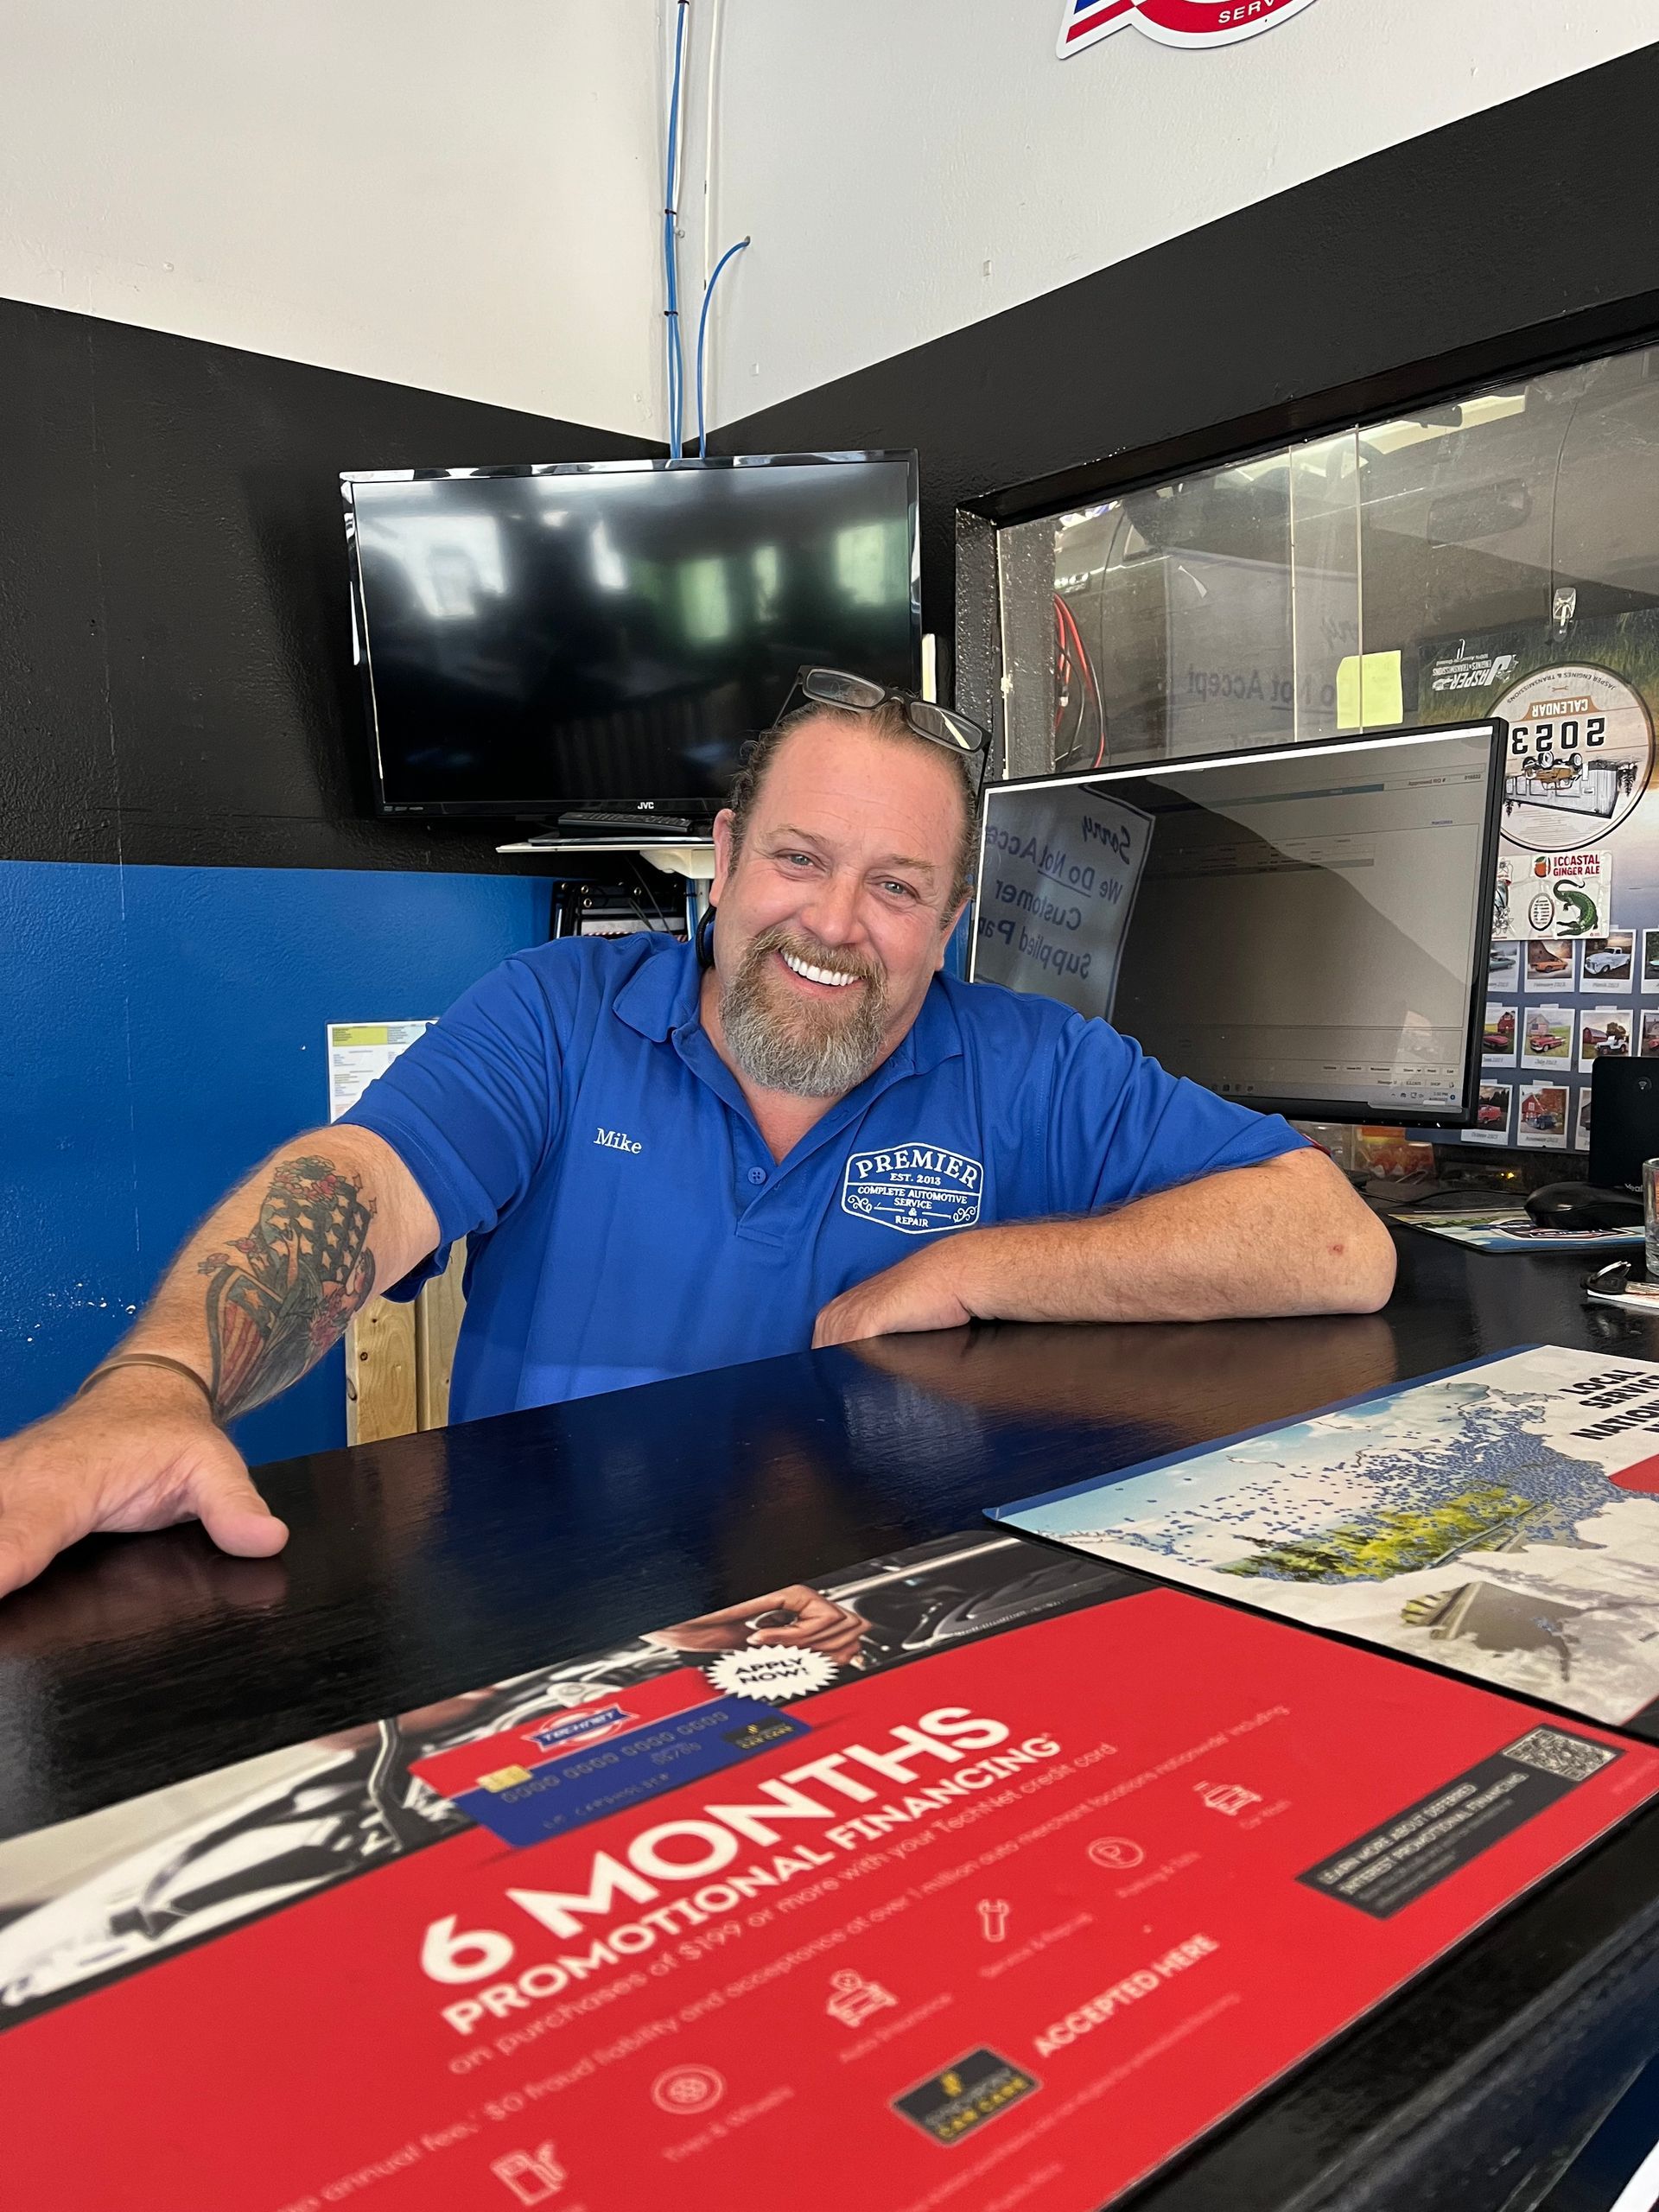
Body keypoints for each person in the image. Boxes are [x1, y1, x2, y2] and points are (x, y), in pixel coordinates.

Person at [0, 671, 1395, 1596]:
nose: (838, 924)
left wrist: (977, 1269)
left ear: (950, 923)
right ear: (722, 860)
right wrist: (164, 1380)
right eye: (799, 860)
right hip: (545, 1656)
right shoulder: (556, 1014)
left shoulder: (1035, 1065)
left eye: (898, 887)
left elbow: (1336, 1243)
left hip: (889, 1662)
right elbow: (356, 1190)